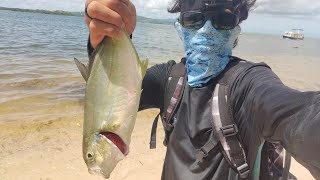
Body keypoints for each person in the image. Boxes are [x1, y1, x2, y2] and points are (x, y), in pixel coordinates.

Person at [84, 0, 320, 179]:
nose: (207, 30)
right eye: (193, 19)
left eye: (222, 21)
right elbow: (111, 93)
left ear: (236, 28)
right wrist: (107, 35)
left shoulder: (248, 83)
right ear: (180, 24)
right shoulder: (169, 78)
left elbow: (298, 115)